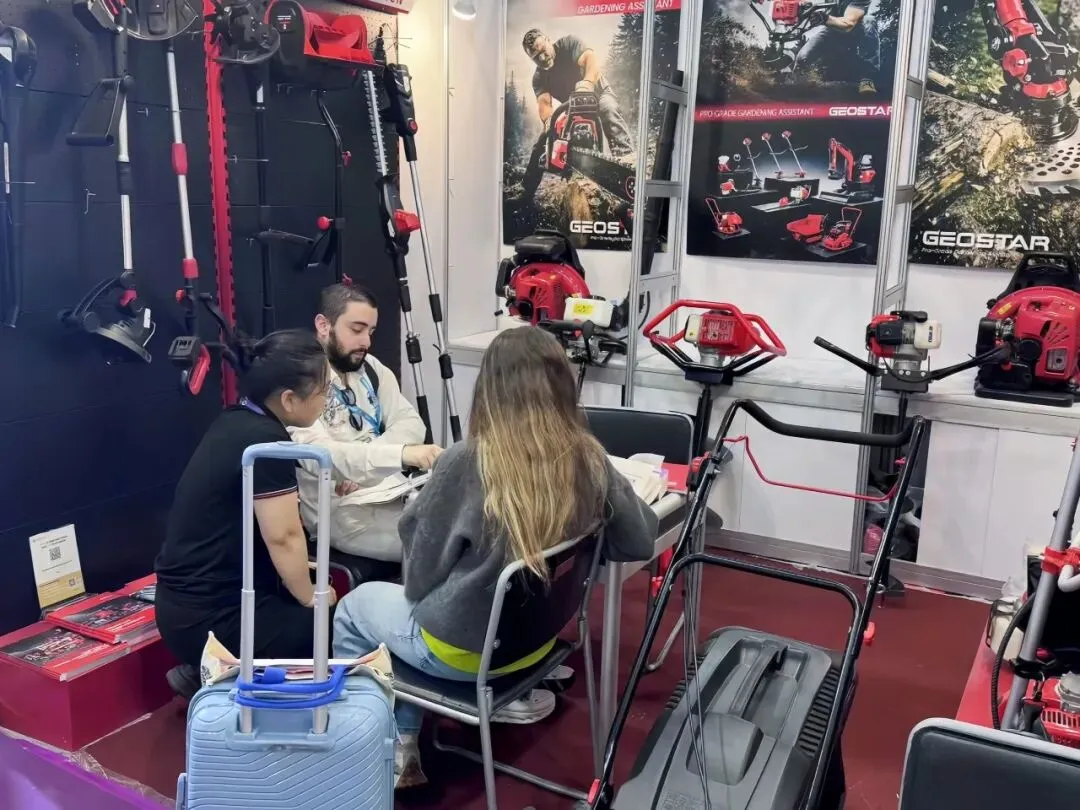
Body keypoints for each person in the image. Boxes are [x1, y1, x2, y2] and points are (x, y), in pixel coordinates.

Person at [332, 326, 660, 788]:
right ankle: (406, 735)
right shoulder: (589, 457)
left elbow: (419, 578)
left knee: (354, 607)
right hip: (537, 643)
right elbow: (639, 540)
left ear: (490, 388)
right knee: (406, 615)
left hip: (464, 653)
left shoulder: (466, 461)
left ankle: (380, 745)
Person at [155, 329, 333, 699]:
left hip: (179, 607)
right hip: (211, 619)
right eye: (323, 391)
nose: (327, 398)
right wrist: (311, 597)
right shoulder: (267, 444)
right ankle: (225, 674)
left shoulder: (235, 420)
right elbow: (283, 537)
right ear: (289, 399)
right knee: (330, 625)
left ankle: (208, 672)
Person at [288, 284, 441, 561]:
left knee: (468, 528)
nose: (366, 342)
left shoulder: (370, 368)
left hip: (391, 490)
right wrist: (397, 456)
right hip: (339, 510)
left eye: (370, 332)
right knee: (439, 549)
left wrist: (367, 469)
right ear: (323, 325)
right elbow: (319, 455)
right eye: (357, 330)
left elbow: (410, 423)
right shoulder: (300, 382)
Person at [522, 28, 633, 157]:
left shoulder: (569, 45)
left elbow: (589, 58)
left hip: (598, 94)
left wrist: (587, 82)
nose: (542, 58)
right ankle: (539, 168)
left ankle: (625, 155)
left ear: (548, 40)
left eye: (543, 50)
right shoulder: (539, 78)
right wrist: (549, 122)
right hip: (572, 107)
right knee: (544, 139)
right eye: (536, 57)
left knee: (608, 109)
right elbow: (545, 104)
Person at [793, 0, 881, 94]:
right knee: (802, 58)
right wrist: (804, 7)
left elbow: (848, 24)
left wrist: (824, 18)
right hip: (832, 29)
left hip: (854, 29)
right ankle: (802, 82)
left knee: (869, 21)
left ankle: (867, 78)